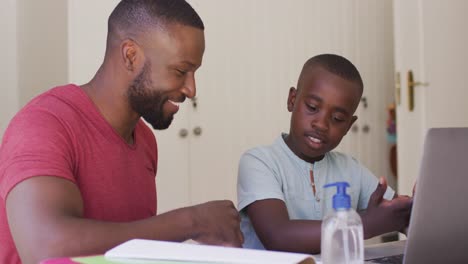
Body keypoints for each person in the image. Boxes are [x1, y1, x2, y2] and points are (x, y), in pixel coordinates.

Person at [0, 1, 243, 263]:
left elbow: (127, 251)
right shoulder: (44, 124)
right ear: (130, 56)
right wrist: (192, 221)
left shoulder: (145, 140)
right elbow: (45, 249)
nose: (191, 89)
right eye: (181, 71)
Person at [237, 54, 413, 254]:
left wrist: (414, 210)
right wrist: (367, 224)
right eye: (312, 108)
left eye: (337, 118)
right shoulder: (259, 162)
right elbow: (278, 235)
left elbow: (400, 216)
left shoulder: (350, 169)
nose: (321, 124)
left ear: (349, 125)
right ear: (292, 100)